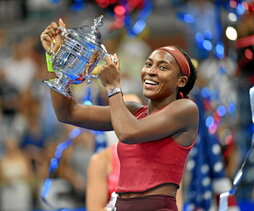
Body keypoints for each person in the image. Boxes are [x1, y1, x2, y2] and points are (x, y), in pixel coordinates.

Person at [40, 18, 199, 211]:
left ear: (181, 81)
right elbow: (68, 113)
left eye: (163, 67)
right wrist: (56, 60)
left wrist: (113, 87)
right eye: (148, 64)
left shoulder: (186, 109)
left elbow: (128, 133)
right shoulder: (133, 111)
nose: (151, 72)